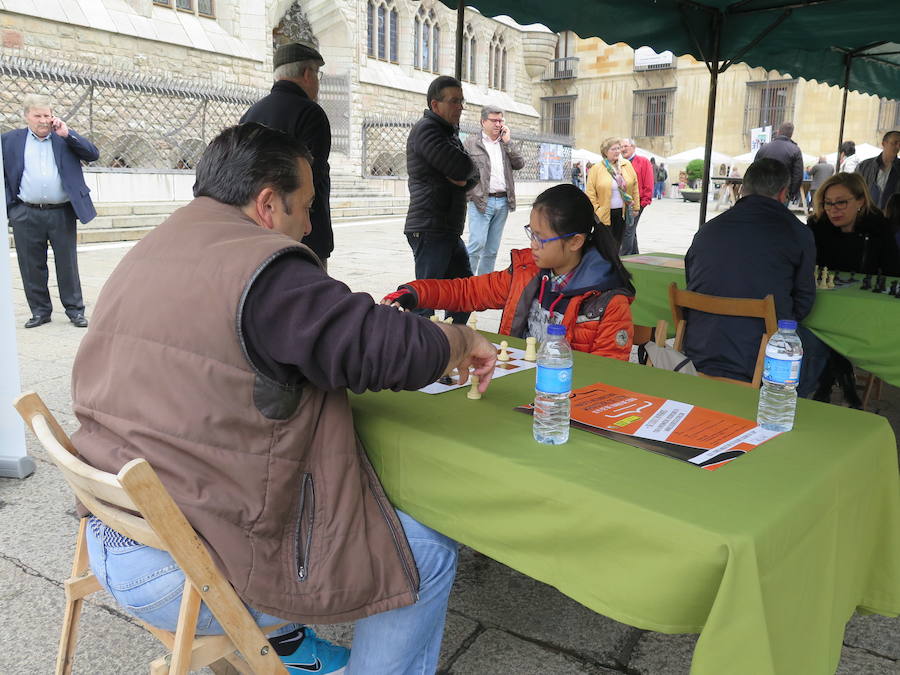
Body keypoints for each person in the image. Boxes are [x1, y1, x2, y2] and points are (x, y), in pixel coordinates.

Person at [70, 123, 498, 675]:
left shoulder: (154, 245)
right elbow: (380, 347)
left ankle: (291, 648)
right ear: (268, 204)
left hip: (111, 532)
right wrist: (460, 338)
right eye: (307, 207)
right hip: (181, 567)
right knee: (426, 548)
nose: (311, 225)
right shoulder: (261, 268)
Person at [382, 184, 635, 360]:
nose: (532, 245)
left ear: (575, 242)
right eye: (531, 233)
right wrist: (414, 293)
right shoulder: (527, 274)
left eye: (541, 238)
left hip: (560, 404)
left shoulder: (608, 304)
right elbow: (468, 291)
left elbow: (606, 376)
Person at [684, 158, 824, 397]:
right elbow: (803, 303)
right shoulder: (798, 233)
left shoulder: (708, 229)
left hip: (698, 347)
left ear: (743, 189)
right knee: (819, 347)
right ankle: (798, 409)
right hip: (761, 355)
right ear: (783, 194)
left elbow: (692, 284)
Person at [2, 93, 97, 328]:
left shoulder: (64, 138)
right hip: (25, 212)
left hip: (61, 211)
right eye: (38, 115)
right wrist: (11, 208)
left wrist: (68, 133)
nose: (43, 120)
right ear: (27, 117)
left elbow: (93, 154)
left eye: (47, 115)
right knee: (31, 264)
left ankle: (75, 311)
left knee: (67, 263)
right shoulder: (10, 140)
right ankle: (40, 311)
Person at [240, 42, 334, 265]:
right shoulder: (311, 113)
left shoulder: (252, 113)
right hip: (303, 231)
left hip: (260, 227)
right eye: (317, 74)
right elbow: (312, 175)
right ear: (307, 74)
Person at [404, 75, 479, 324]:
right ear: (435, 105)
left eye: (461, 101)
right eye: (453, 101)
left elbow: (472, 172)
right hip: (430, 226)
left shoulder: (448, 133)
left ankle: (453, 340)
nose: (459, 107)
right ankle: (420, 352)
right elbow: (461, 167)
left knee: (464, 290)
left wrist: (465, 176)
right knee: (425, 298)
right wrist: (464, 173)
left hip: (445, 227)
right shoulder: (427, 130)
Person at [463, 105, 525, 276]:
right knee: (476, 244)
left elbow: (519, 164)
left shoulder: (505, 143)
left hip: (503, 201)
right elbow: (461, 169)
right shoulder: (471, 143)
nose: (498, 124)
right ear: (483, 122)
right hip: (481, 201)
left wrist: (508, 142)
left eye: (501, 120)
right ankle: (467, 283)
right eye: (494, 120)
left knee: (491, 249)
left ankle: (483, 287)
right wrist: (470, 194)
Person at [807, 172, 900, 275]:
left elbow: (893, 271)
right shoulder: (815, 228)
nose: (833, 209)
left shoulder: (879, 228)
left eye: (841, 202)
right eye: (828, 203)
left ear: (860, 201)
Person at [585, 137, 639, 246]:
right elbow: (590, 192)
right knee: (605, 244)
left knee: (617, 243)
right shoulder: (597, 168)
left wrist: (636, 207)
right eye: (613, 149)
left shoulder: (626, 165)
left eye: (618, 148)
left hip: (622, 212)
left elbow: (634, 186)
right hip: (604, 213)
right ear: (605, 152)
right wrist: (597, 210)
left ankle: (615, 262)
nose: (617, 151)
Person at [754, 121, 804, 203]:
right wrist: (791, 194)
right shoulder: (795, 150)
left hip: (763, 192)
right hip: (782, 193)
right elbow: (798, 175)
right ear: (791, 134)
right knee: (778, 215)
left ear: (778, 132)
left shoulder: (764, 148)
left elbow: (754, 171)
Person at [618, 138, 653, 255]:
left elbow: (648, 182)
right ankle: (635, 255)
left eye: (625, 146)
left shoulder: (643, 161)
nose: (623, 149)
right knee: (631, 230)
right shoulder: (620, 163)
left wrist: (644, 202)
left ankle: (624, 257)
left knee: (627, 230)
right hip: (623, 203)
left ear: (633, 147)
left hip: (637, 203)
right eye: (621, 147)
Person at [855, 130, 900, 210]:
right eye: (895, 143)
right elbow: (854, 189)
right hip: (867, 214)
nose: (898, 147)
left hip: (892, 217)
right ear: (884, 143)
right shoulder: (864, 166)